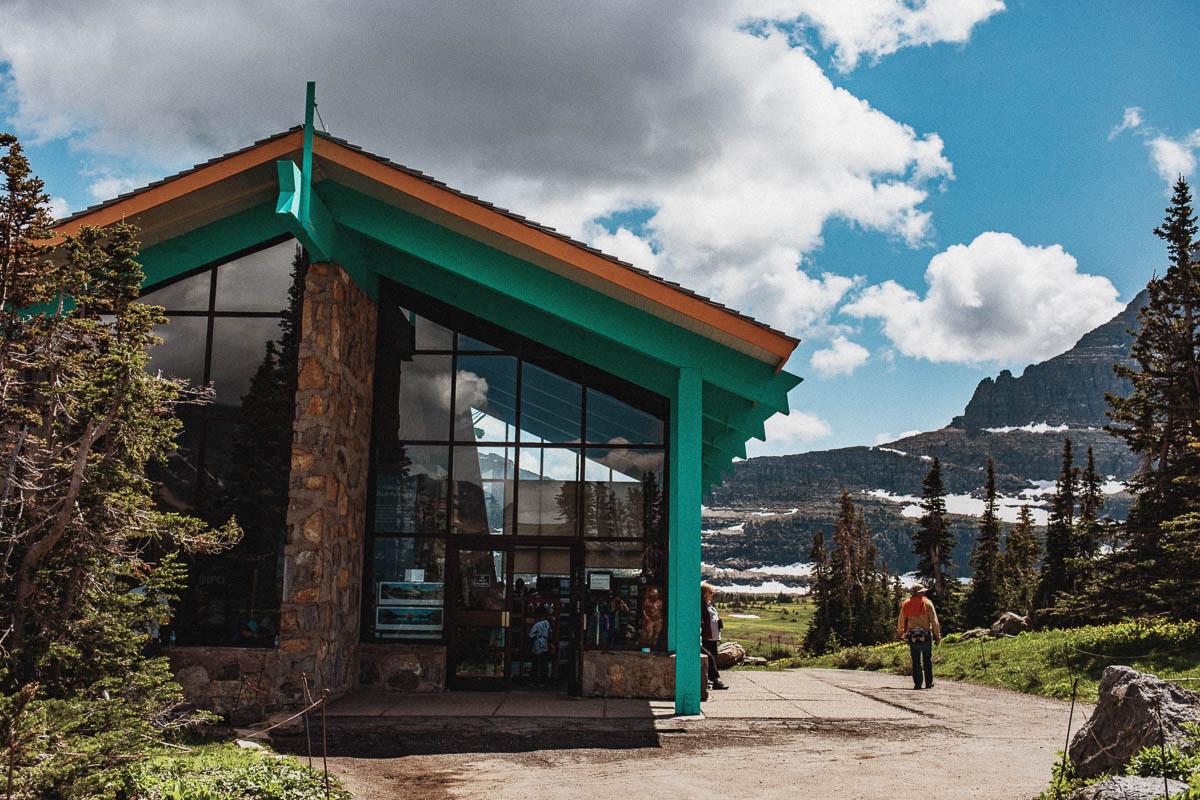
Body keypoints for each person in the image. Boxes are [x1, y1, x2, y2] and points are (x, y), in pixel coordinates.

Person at [897, 583, 941, 689]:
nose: (924, 592)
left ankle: (918, 683)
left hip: (912, 635)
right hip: (925, 634)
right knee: (927, 658)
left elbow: (901, 620)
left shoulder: (906, 604)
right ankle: (929, 682)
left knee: (916, 659)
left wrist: (901, 632)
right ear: (920, 592)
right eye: (923, 591)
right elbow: (934, 621)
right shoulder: (927, 603)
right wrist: (937, 635)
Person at [700, 583, 727, 690]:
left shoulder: (710, 605)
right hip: (706, 637)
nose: (712, 595)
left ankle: (708, 679)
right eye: (710, 593)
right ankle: (715, 681)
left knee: (713, 658)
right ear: (705, 594)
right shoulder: (701, 606)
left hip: (714, 637)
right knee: (710, 658)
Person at [529, 604, 553, 687]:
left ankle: (535, 681)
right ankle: (543, 681)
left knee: (535, 664)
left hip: (537, 644)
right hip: (545, 644)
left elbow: (531, 635)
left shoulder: (537, 625)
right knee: (544, 664)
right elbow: (550, 633)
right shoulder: (547, 623)